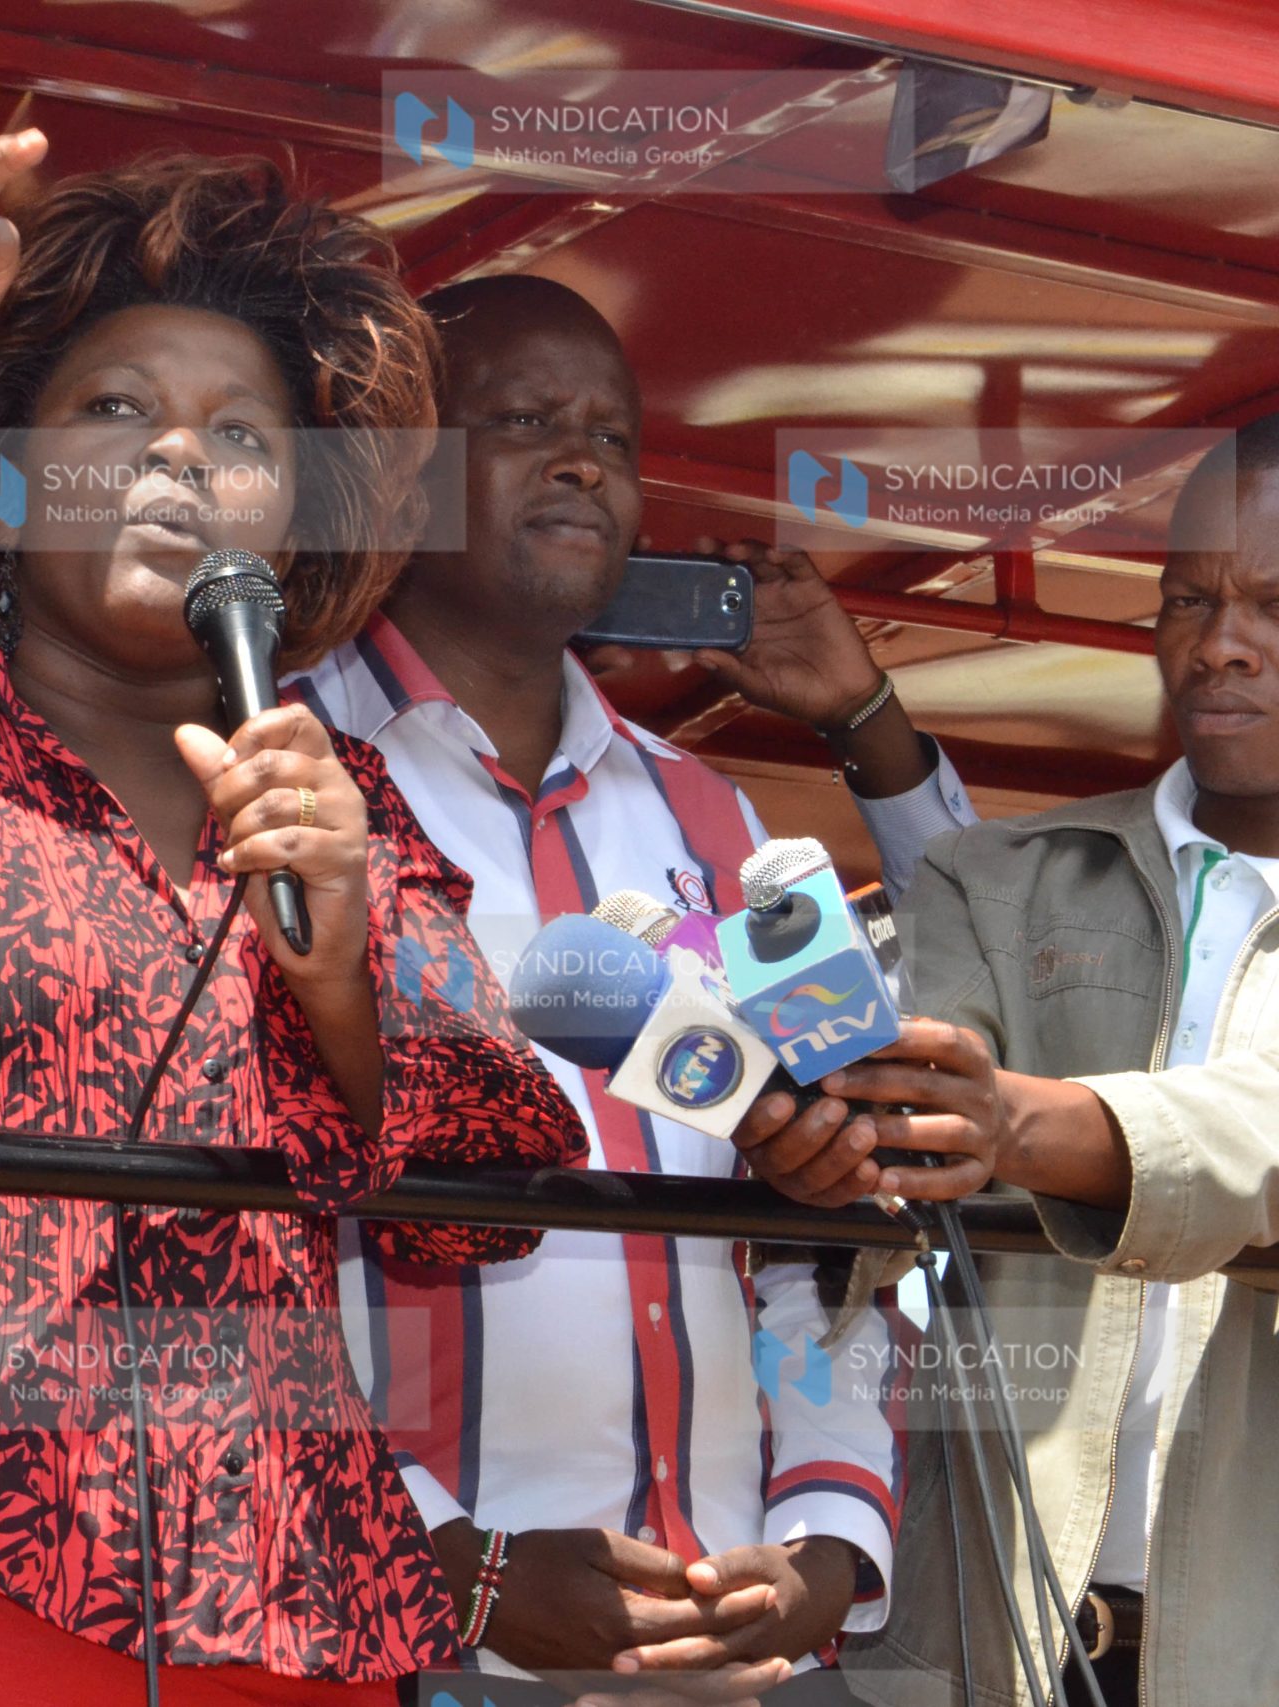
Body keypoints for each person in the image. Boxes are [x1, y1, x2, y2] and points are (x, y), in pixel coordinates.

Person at [0, 133, 585, 1702]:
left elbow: (487, 1197)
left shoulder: (342, 810)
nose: (180, 458)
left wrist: (337, 961)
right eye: (116, 411)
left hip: (278, 1597)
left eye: (241, 435)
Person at [285, 274, 981, 1704]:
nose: (583, 459)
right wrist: (450, 1567)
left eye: (612, 433)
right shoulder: (279, 780)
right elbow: (214, 1269)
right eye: (526, 420)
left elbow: (824, 1252)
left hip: (736, 1653)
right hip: (400, 1650)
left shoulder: (717, 826)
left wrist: (826, 1546)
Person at [723, 419, 1279, 1707]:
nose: (1222, 643)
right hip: (986, 1650)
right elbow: (929, 1084)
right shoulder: (1000, 875)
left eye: (1271, 603)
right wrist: (858, 1116)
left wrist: (1016, 1123)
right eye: (1189, 599)